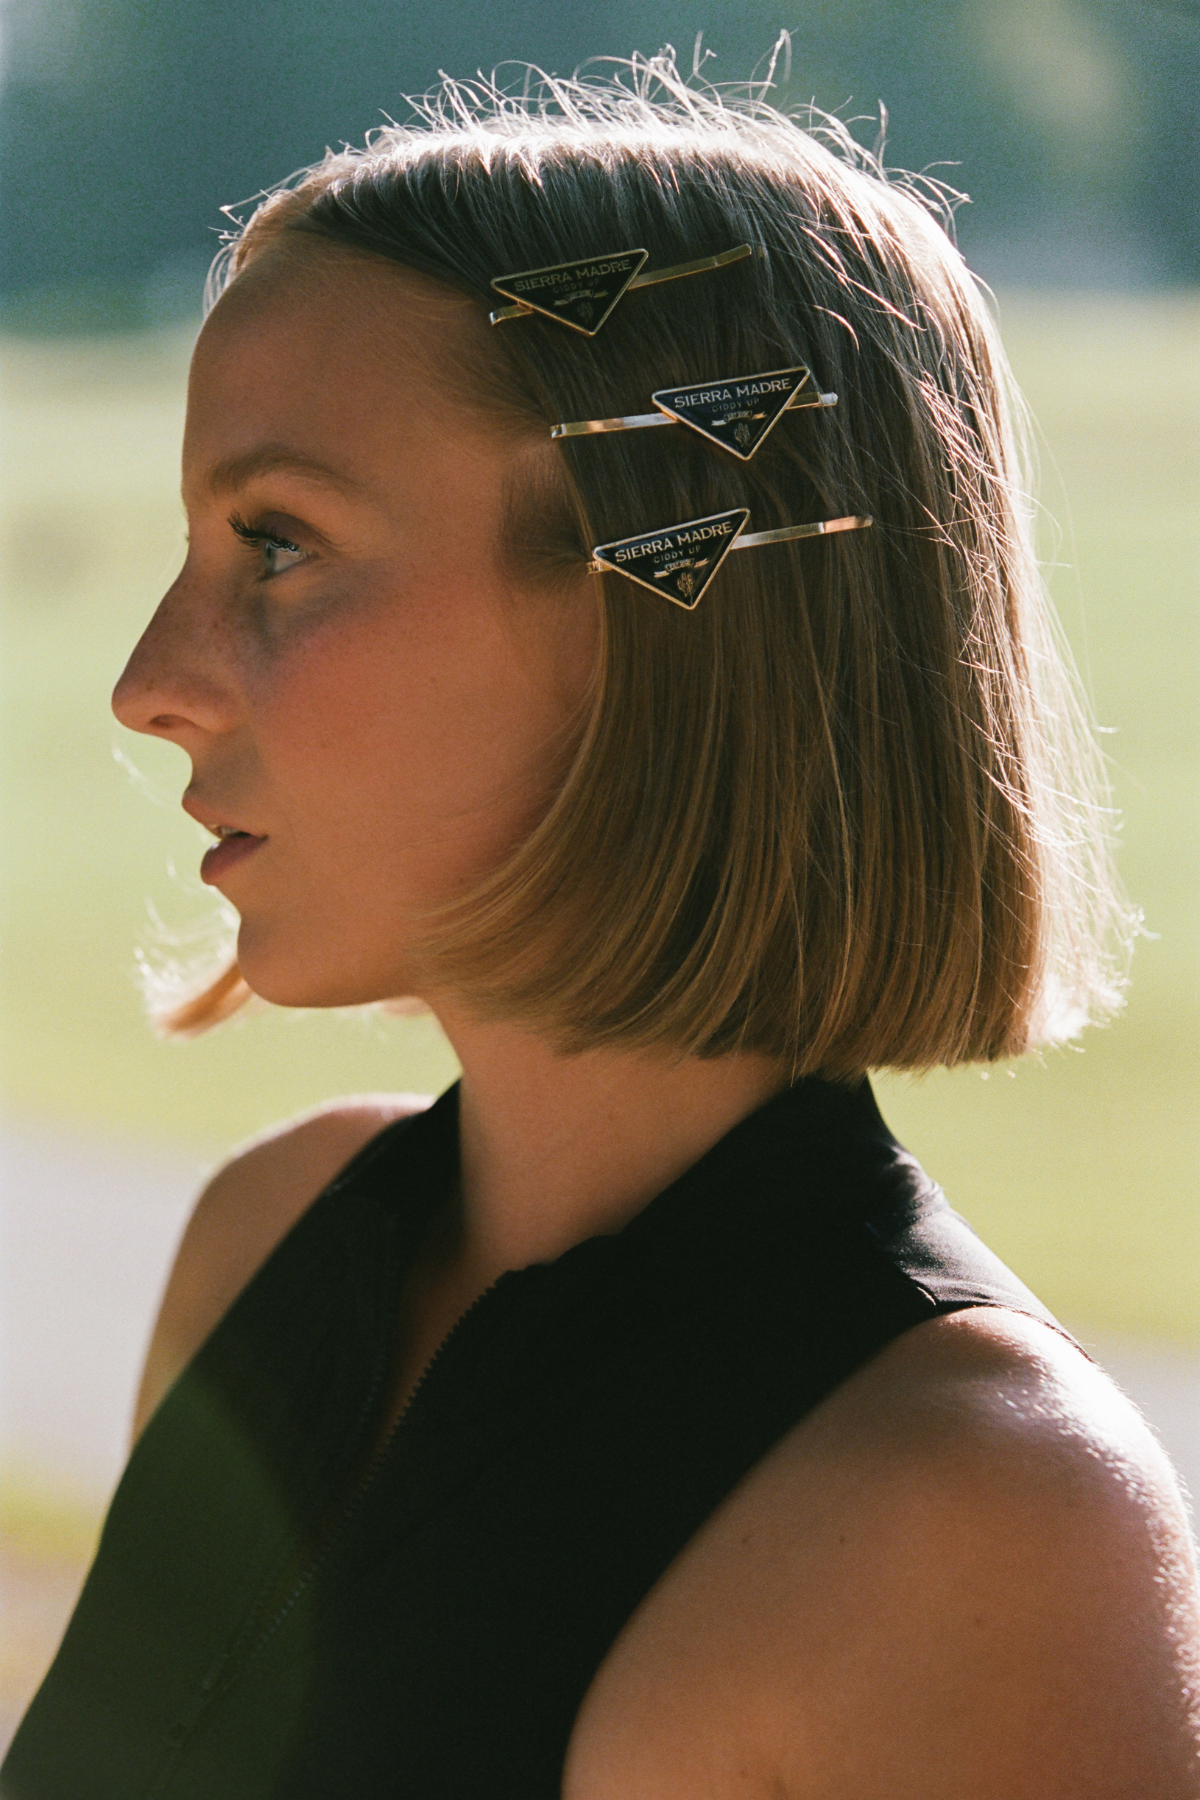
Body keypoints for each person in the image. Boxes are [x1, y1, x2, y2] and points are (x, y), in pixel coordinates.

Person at [4, 58, 1197, 1800]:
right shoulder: (265, 1249)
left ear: (668, 606)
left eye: (277, 543)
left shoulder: (978, 1525)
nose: (150, 685)